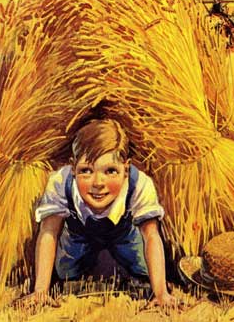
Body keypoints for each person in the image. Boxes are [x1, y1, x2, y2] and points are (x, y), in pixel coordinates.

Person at [26, 119, 178, 309]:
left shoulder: (140, 184)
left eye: (111, 171)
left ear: (126, 169)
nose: (98, 182)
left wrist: (161, 293)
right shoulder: (60, 182)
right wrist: (40, 290)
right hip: (78, 236)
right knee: (66, 272)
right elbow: (49, 232)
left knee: (144, 271)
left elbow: (151, 236)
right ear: (73, 169)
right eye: (86, 171)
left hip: (124, 236)